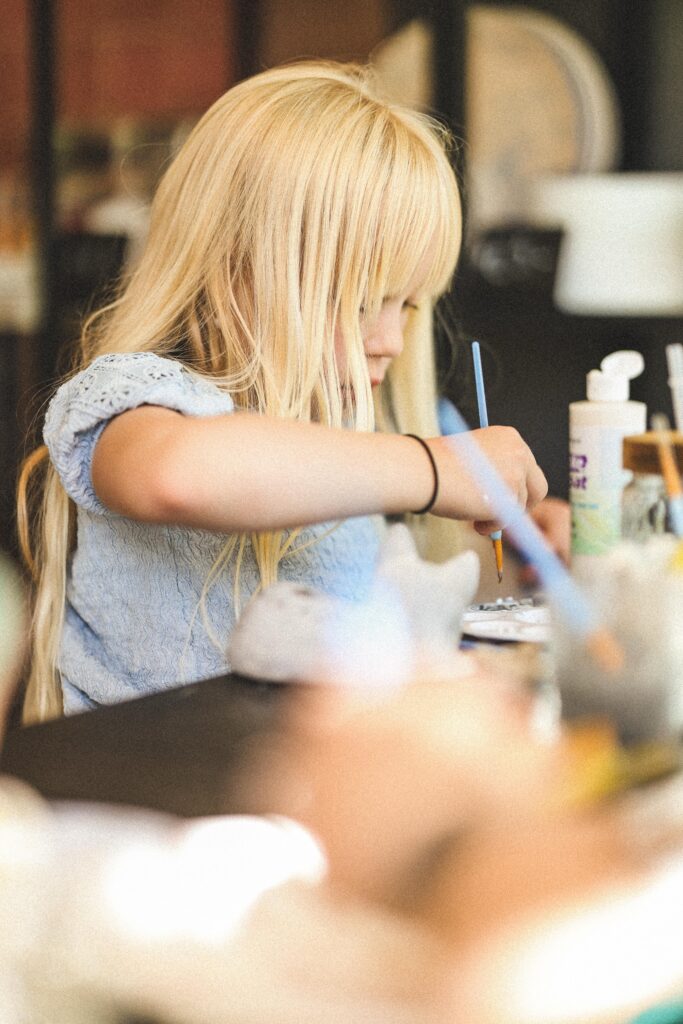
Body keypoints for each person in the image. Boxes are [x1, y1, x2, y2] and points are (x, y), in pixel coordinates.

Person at [18, 60, 548, 722]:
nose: (391, 339)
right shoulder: (138, 400)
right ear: (232, 270)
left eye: (409, 304)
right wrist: (434, 467)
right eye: (360, 302)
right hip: (154, 776)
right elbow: (179, 476)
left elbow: (449, 588)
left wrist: (525, 545)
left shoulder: (374, 422)